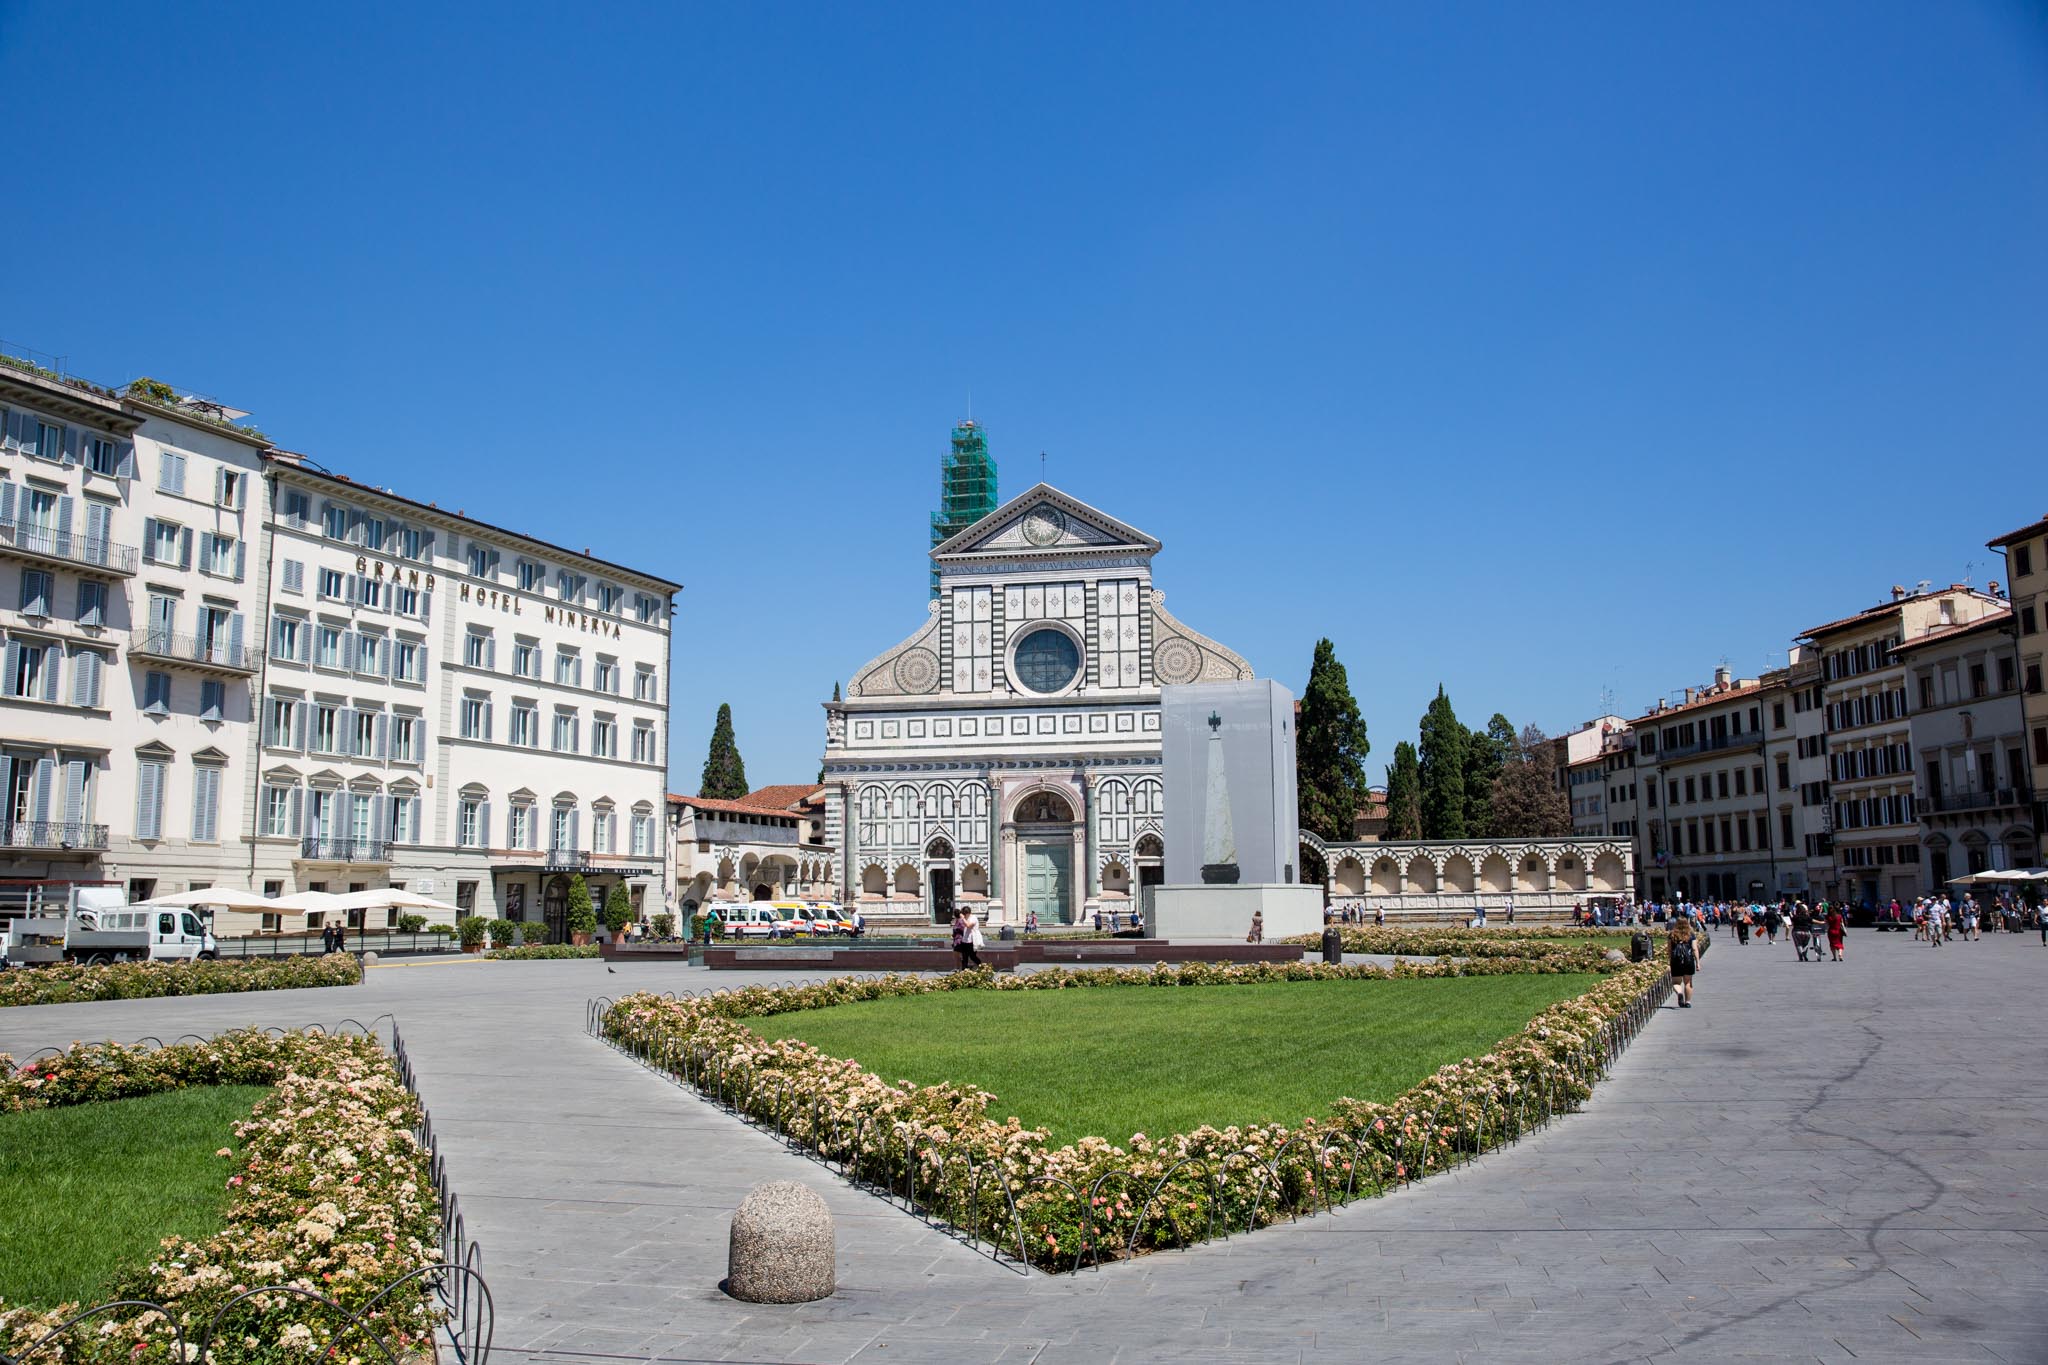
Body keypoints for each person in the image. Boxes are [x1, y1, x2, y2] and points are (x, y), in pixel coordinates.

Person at [1668, 915, 1699, 1008]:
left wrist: (1670, 960)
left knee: (1676, 983)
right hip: (1688, 960)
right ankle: (1688, 1002)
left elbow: (1669, 950)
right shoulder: (1691, 934)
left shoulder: (1672, 934)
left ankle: (1680, 993)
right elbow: (1694, 949)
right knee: (1688, 982)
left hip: (1676, 961)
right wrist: (1697, 962)